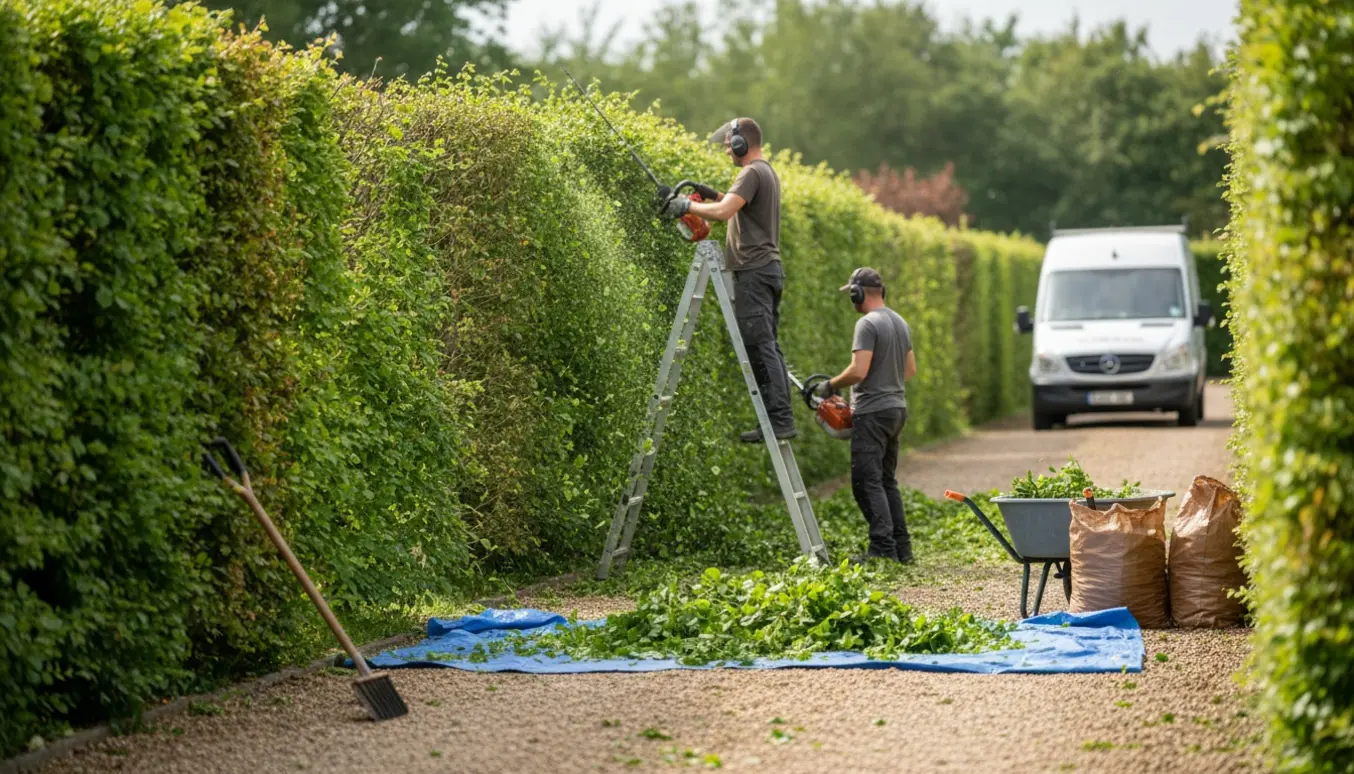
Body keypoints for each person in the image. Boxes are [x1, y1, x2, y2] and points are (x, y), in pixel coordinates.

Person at [659, 117, 795, 442]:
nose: (726, 152)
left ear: (740, 143)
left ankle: (779, 420)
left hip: (754, 270)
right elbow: (736, 206)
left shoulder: (751, 172)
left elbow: (723, 212)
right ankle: (779, 418)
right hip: (766, 269)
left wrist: (685, 205)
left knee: (760, 347)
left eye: (728, 146)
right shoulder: (765, 172)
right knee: (768, 345)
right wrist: (711, 194)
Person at [813, 267, 917, 563]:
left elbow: (859, 370)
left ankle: (882, 549)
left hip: (872, 412)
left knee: (865, 482)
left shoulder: (867, 323)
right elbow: (910, 370)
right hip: (896, 409)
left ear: (858, 293)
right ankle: (902, 549)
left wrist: (830, 385)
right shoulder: (900, 322)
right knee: (886, 481)